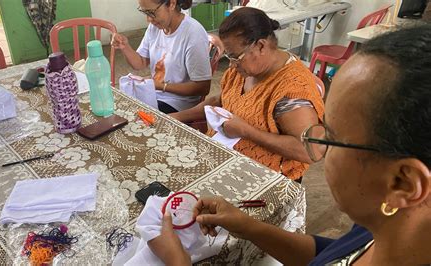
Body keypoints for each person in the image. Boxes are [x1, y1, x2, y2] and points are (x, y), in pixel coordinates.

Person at [148, 25, 431, 265]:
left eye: (330, 136)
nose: (316, 145)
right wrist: (246, 225)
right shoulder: (386, 221)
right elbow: (333, 254)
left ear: (403, 183)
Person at [171, 7, 324, 181]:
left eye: (235, 57)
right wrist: (177, 116)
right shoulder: (244, 69)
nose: (232, 65)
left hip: (265, 177)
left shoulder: (291, 89)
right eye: (229, 58)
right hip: (226, 157)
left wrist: (247, 131)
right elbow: (222, 100)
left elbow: (311, 151)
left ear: (260, 46)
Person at [111, 0, 212, 114]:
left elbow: (202, 87)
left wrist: (161, 86)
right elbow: (140, 62)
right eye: (145, 13)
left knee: (133, 118)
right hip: (155, 93)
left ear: (172, 4)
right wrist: (125, 47)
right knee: (118, 108)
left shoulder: (193, 34)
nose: (149, 19)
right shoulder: (155, 27)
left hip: (178, 103)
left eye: (152, 12)